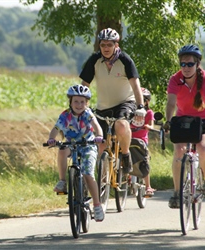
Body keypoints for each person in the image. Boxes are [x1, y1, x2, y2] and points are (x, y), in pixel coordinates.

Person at [79, 27, 147, 174]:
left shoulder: (125, 60)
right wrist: (82, 105)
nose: (106, 48)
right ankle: (103, 183)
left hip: (125, 103)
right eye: (103, 45)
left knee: (121, 125)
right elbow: (84, 86)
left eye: (109, 45)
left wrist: (140, 106)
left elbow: (136, 86)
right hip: (103, 106)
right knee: (101, 144)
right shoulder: (94, 60)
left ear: (116, 45)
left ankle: (126, 154)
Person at [47, 84, 104, 222]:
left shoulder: (88, 114)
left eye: (82, 102)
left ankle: (97, 205)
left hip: (87, 145)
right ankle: (62, 181)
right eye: (76, 101)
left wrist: (99, 136)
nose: (79, 105)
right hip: (71, 143)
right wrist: (51, 139)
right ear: (70, 102)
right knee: (61, 151)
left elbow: (97, 127)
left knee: (88, 174)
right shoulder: (65, 115)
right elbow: (56, 128)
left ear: (87, 103)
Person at [165, 44, 205, 208]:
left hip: (202, 119)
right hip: (182, 119)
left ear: (197, 64)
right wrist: (168, 120)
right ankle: (176, 192)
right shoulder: (175, 79)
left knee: (202, 148)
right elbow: (171, 103)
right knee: (179, 150)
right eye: (183, 64)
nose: (186, 68)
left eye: (190, 64)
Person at [130, 87, 156, 197]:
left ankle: (148, 186)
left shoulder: (149, 112)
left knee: (144, 161)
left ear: (147, 101)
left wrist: (147, 126)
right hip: (129, 138)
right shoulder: (130, 112)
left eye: (142, 99)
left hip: (141, 140)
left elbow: (151, 125)